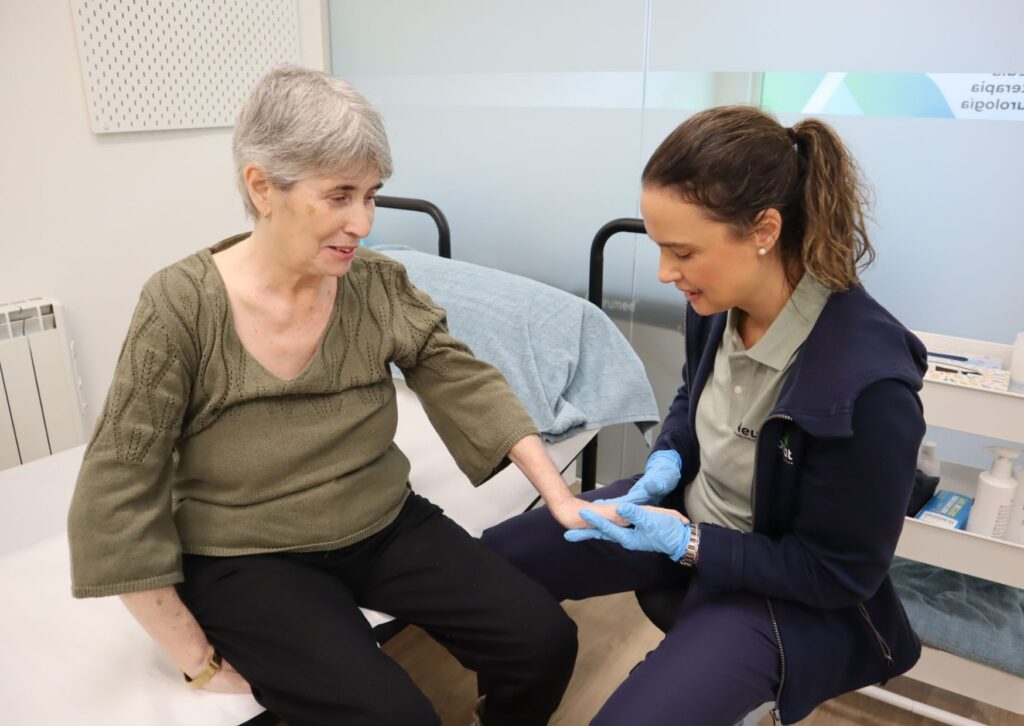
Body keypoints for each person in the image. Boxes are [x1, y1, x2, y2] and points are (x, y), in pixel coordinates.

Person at [67, 65, 621, 726]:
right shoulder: (181, 306)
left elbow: (460, 377)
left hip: (384, 523)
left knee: (545, 639)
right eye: (339, 196)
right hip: (247, 556)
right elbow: (116, 487)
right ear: (261, 186)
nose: (361, 222)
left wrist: (558, 495)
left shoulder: (377, 284)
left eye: (371, 194)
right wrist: (198, 659)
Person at [482, 106, 927, 725]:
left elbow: (836, 572)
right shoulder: (717, 305)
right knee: (489, 567)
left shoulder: (869, 385)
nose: (666, 273)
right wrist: (669, 453)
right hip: (687, 515)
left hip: (781, 585)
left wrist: (690, 543)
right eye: (660, 248)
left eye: (683, 251)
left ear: (763, 229)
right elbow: (695, 396)